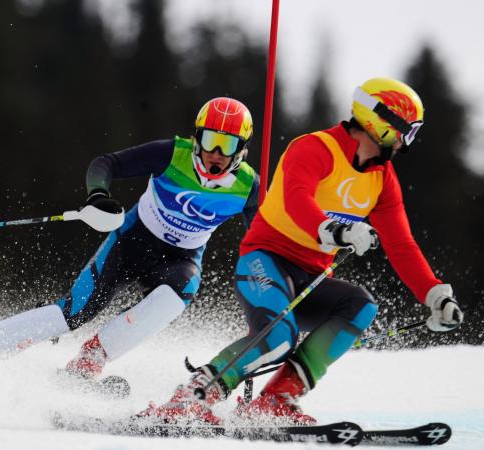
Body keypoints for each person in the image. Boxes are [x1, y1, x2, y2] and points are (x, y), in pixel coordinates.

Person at [139, 77, 465, 426]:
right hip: (265, 261)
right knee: (279, 337)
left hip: (311, 276)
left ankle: (277, 399)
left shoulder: (382, 179)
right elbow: (297, 198)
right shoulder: (315, 148)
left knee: (359, 307)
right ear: (381, 122)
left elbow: (401, 244)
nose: (406, 142)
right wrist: (335, 230)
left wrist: (433, 294)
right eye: (407, 131)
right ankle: (191, 398)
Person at [0, 97, 260, 383]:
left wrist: (264, 268)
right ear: (196, 137)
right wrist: (98, 195)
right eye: (210, 139)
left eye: (229, 144)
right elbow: (105, 164)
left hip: (180, 260)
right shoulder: (172, 155)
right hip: (132, 243)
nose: (217, 153)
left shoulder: (248, 187)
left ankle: (89, 361)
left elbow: (262, 239)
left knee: (178, 295)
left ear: (242, 150)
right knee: (72, 314)